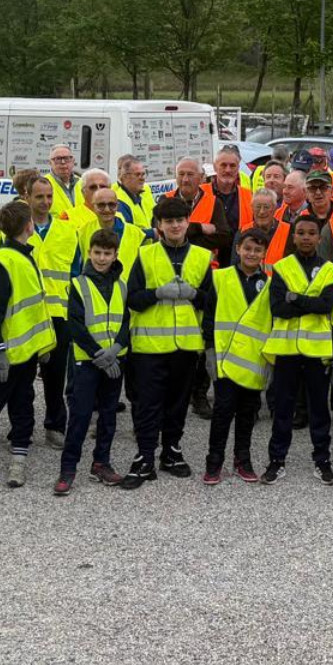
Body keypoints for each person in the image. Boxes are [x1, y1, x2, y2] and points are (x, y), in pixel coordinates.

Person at [0, 201, 56, 489]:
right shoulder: (4, 262)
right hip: (6, 356)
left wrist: (42, 347)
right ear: (29, 226)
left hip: (25, 353)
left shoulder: (24, 256)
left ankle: (18, 460)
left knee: (22, 406)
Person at [126, 196, 214, 481]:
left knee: (177, 403)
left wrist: (195, 295)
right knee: (148, 403)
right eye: (168, 221)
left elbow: (211, 302)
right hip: (149, 346)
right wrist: (156, 294)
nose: (175, 226)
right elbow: (132, 298)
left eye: (179, 220)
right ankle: (145, 455)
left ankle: (171, 452)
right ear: (159, 226)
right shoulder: (145, 255)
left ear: (188, 223)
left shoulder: (202, 256)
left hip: (185, 346)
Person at [49, 228, 129, 495]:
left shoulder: (122, 286)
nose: (102, 258)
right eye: (97, 253)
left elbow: (126, 322)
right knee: (80, 416)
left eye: (107, 253)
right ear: (89, 252)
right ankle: (67, 469)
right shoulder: (78, 284)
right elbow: (75, 326)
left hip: (114, 361)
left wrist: (116, 349)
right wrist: (99, 355)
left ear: (115, 255)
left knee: (108, 416)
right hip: (87, 363)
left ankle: (101, 463)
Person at [264, 214, 333, 484]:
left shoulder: (328, 268)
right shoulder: (282, 267)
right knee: (283, 408)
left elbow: (326, 305)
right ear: (293, 237)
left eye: (311, 233)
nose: (306, 237)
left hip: (317, 351)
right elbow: (278, 309)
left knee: (319, 409)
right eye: (301, 233)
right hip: (286, 350)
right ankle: (276, 461)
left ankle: (322, 461)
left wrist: (295, 298)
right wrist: (308, 302)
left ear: (319, 238)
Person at [204, 227, 273, 484]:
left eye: (258, 250)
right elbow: (209, 316)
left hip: (254, 361)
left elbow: (271, 324)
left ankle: (242, 459)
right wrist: (209, 350)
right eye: (248, 248)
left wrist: (271, 362)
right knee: (222, 413)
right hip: (225, 359)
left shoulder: (269, 285)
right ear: (238, 249)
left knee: (247, 413)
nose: (252, 254)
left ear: (264, 253)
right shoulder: (220, 277)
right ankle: (214, 462)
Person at [188, 147, 253, 266]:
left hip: (239, 264)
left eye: (232, 166)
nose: (228, 170)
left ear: (238, 168)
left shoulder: (249, 196)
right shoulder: (198, 194)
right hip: (205, 265)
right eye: (223, 165)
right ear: (214, 167)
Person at [115, 156, 155, 230]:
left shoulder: (141, 195)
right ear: (125, 177)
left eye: (143, 174)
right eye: (137, 174)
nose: (142, 178)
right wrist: (152, 233)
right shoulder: (119, 202)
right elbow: (126, 232)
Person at [46, 145, 83, 218]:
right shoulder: (43, 184)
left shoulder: (83, 183)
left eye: (67, 158)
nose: (63, 162)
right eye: (58, 159)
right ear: (50, 162)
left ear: (73, 161)